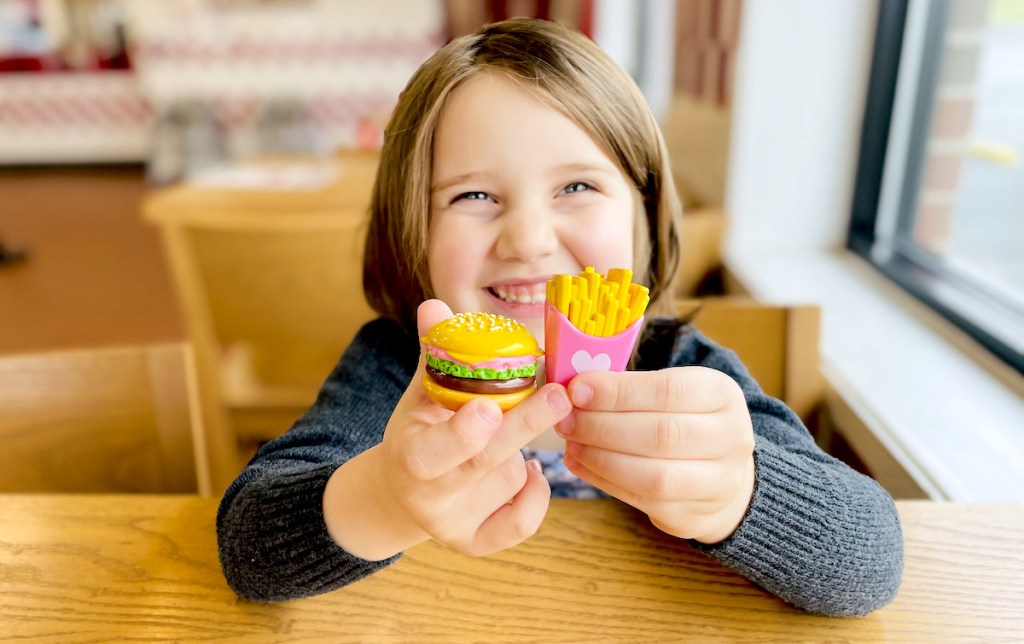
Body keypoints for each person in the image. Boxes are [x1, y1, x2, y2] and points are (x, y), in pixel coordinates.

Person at [217, 18, 903, 616]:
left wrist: (743, 491)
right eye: (475, 194)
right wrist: (386, 497)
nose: (528, 240)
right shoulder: (398, 369)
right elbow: (248, 548)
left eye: (577, 186)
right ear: (411, 233)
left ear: (643, 212)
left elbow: (872, 562)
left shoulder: (681, 366)